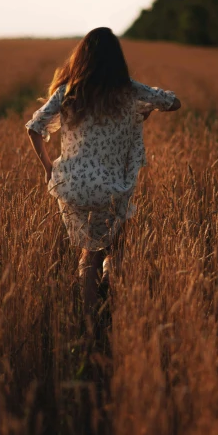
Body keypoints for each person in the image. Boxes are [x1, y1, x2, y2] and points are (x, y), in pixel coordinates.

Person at [25, 27, 181, 320]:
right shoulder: (128, 89)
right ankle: (110, 296)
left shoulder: (69, 91)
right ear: (116, 60)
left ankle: (88, 321)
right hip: (111, 186)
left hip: (73, 184)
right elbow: (173, 102)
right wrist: (147, 108)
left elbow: (34, 128)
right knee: (116, 246)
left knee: (89, 254)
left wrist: (49, 169)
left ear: (82, 57)